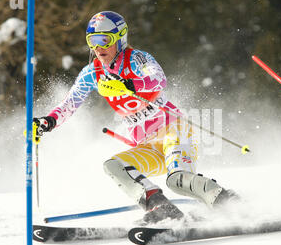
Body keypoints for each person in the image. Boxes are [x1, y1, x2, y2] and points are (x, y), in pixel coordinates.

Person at [34, 11, 239, 224]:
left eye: (105, 39)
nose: (98, 47)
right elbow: (70, 103)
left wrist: (128, 85)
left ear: (120, 38)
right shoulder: (91, 73)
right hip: (148, 146)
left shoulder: (136, 59)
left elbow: (158, 80)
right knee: (113, 165)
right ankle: (160, 207)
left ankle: (230, 203)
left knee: (177, 180)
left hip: (173, 131)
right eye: (92, 41)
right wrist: (48, 122)